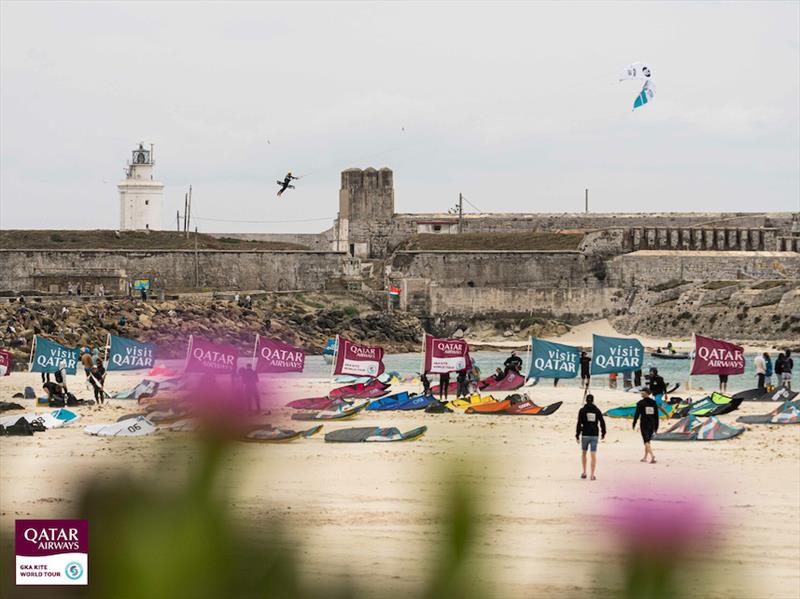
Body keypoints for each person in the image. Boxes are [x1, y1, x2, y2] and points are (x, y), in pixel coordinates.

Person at [576, 394, 606, 480]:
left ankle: (584, 472)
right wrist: (603, 432)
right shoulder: (597, 410)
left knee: (584, 453)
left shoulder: (582, 410)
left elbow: (579, 423)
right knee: (593, 454)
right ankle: (592, 475)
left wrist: (577, 435)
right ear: (593, 400)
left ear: (586, 400)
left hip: (585, 434)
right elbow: (602, 422)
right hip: (594, 435)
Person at [633, 389, 662, 464]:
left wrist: (634, 422)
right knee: (648, 441)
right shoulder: (653, 403)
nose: (641, 394)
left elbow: (637, 414)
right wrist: (656, 426)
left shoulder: (640, 403)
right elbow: (656, 416)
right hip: (652, 423)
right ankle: (645, 457)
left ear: (647, 394)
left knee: (646, 441)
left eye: (643, 393)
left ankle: (652, 456)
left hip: (644, 423)